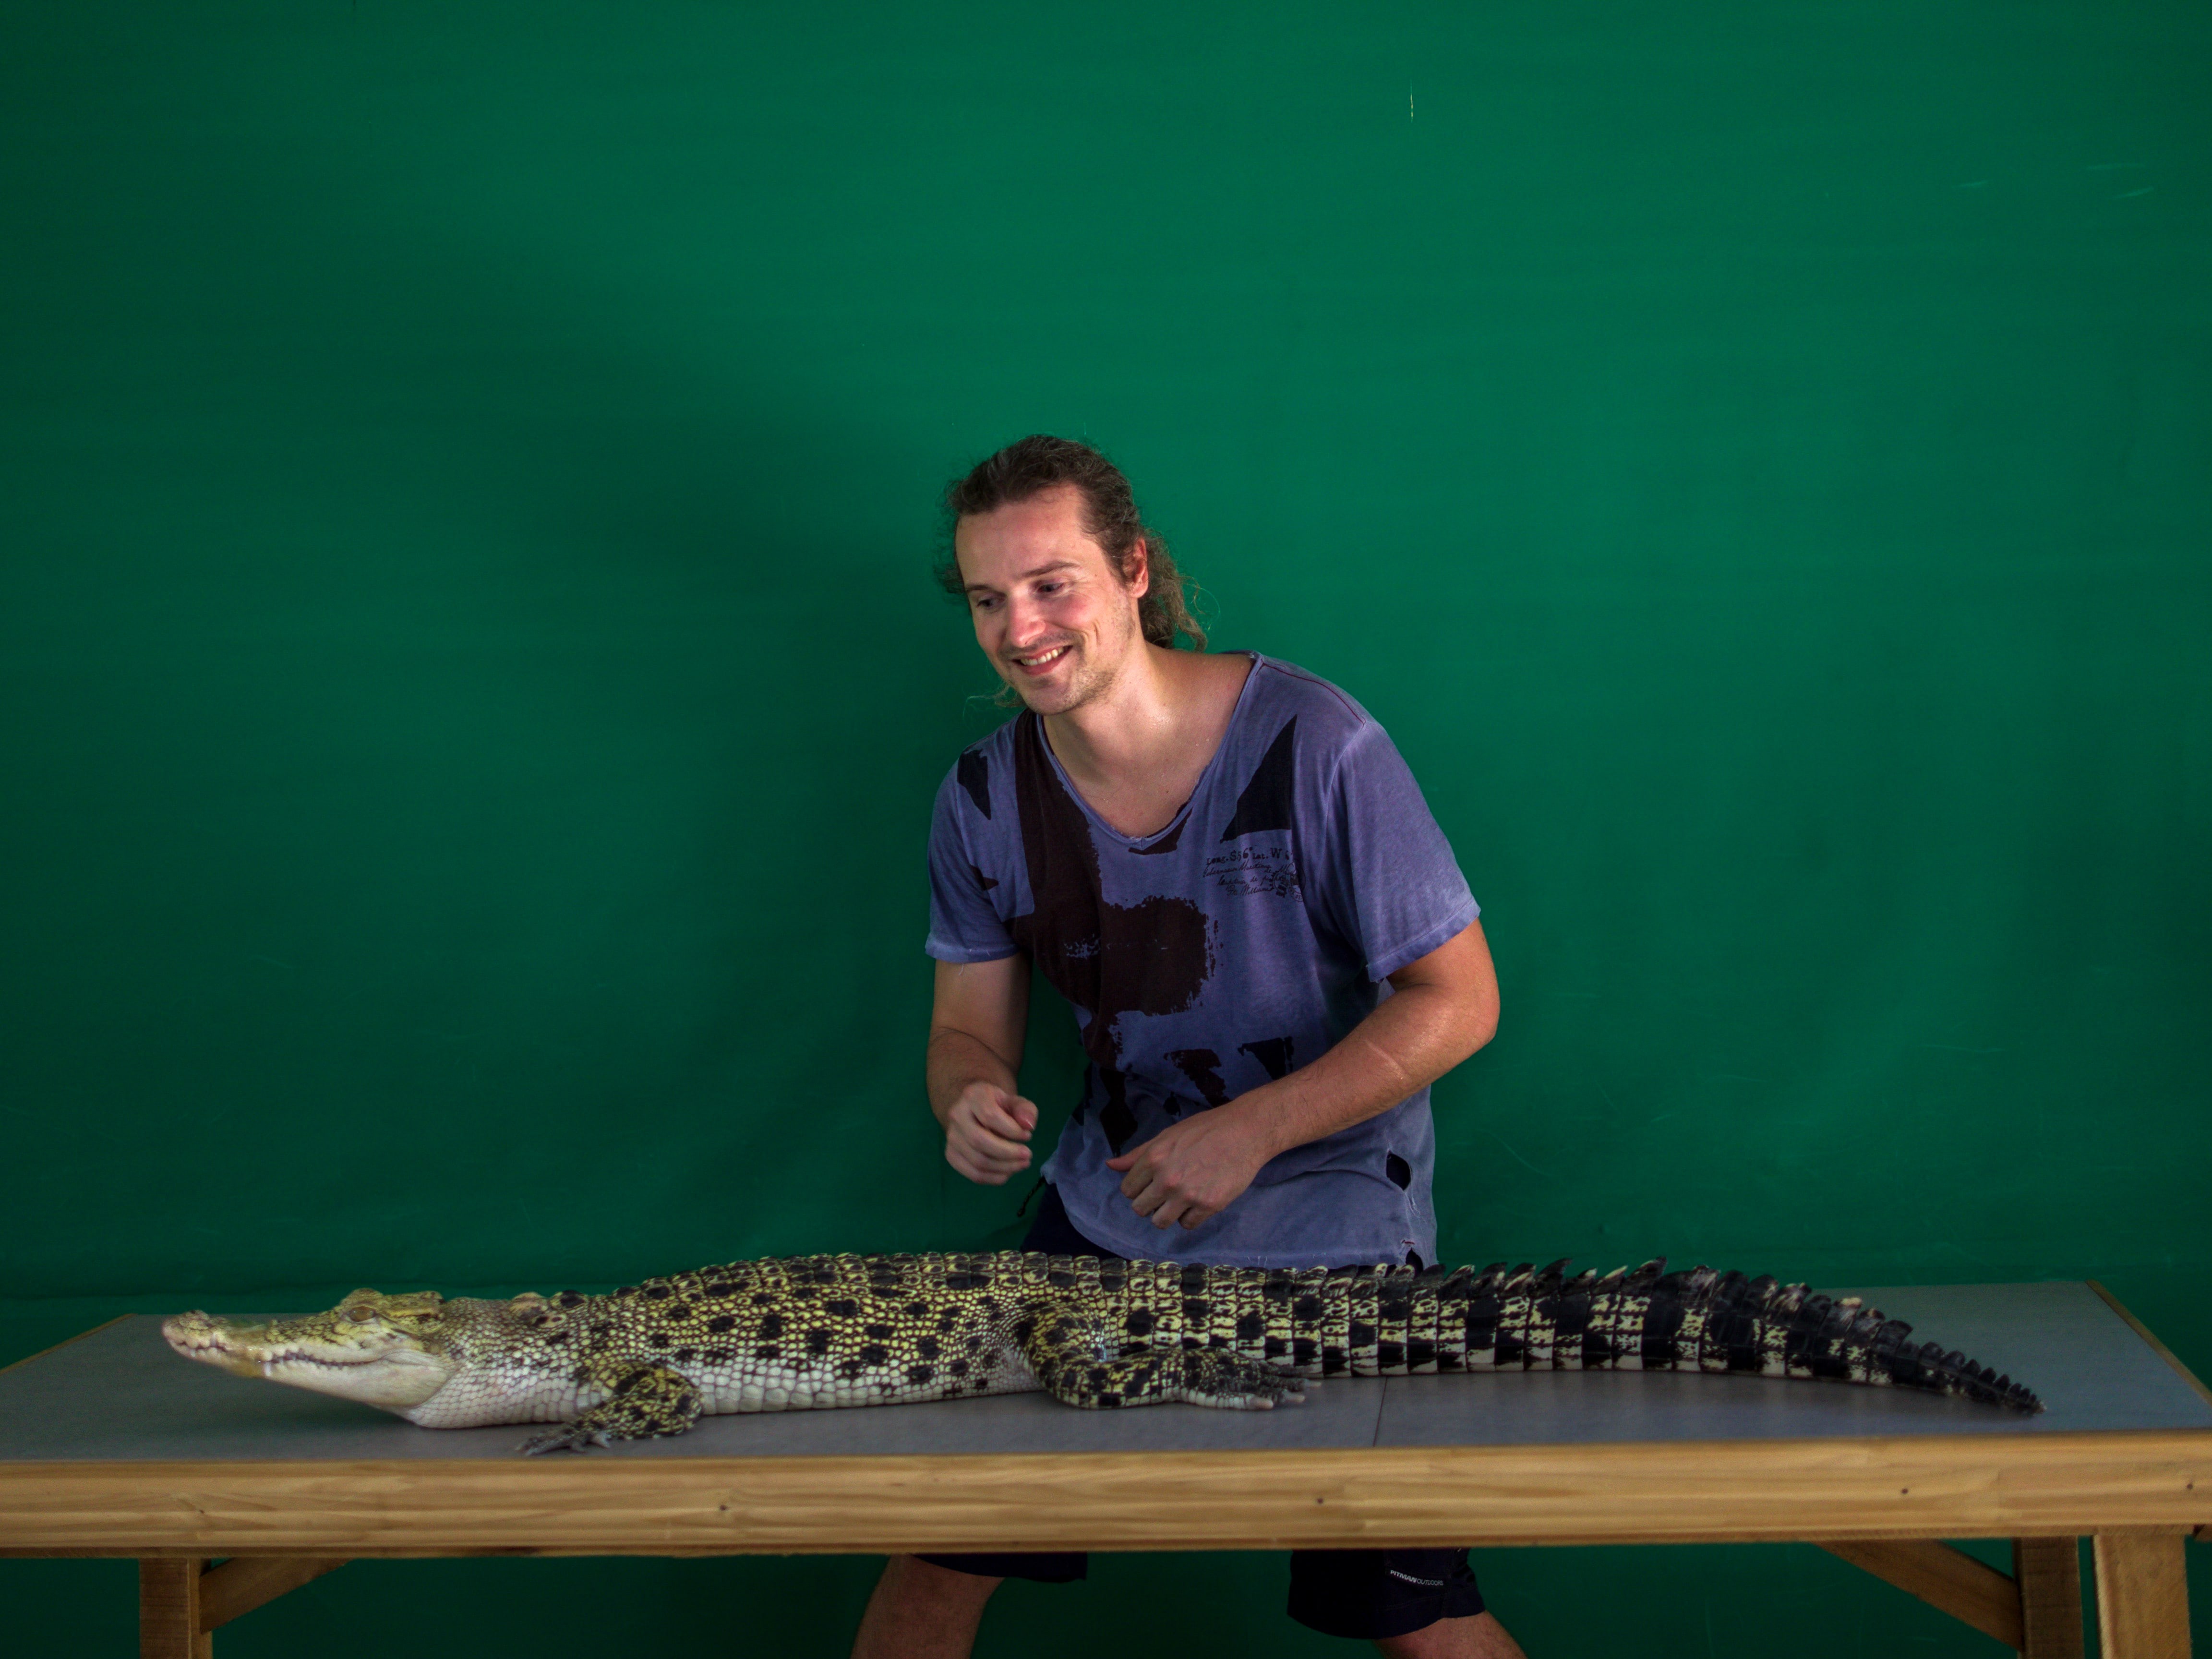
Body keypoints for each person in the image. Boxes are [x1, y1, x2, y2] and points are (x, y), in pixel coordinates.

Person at [851, 436, 1517, 1659]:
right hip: (1108, 1223)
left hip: (1336, 1226)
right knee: (932, 1569)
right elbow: (964, 1032)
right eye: (991, 600)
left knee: (1418, 1618)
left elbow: (1458, 1001)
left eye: (1053, 584)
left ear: (1134, 571)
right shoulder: (984, 800)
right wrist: (971, 1096)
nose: (1022, 627)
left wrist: (1253, 1129)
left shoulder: (1317, 744)